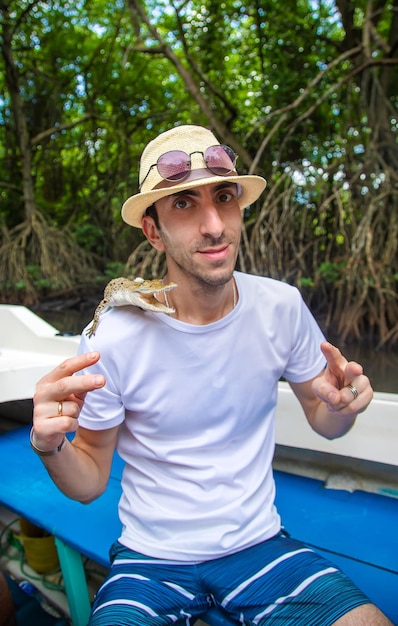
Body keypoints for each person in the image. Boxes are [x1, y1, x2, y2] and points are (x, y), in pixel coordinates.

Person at [32, 125, 392, 625]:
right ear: (152, 231)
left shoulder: (281, 306)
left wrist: (340, 406)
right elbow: (91, 477)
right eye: (182, 204)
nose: (213, 225)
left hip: (258, 544)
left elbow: (323, 417)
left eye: (224, 197)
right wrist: (49, 445)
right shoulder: (111, 337)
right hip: (150, 558)